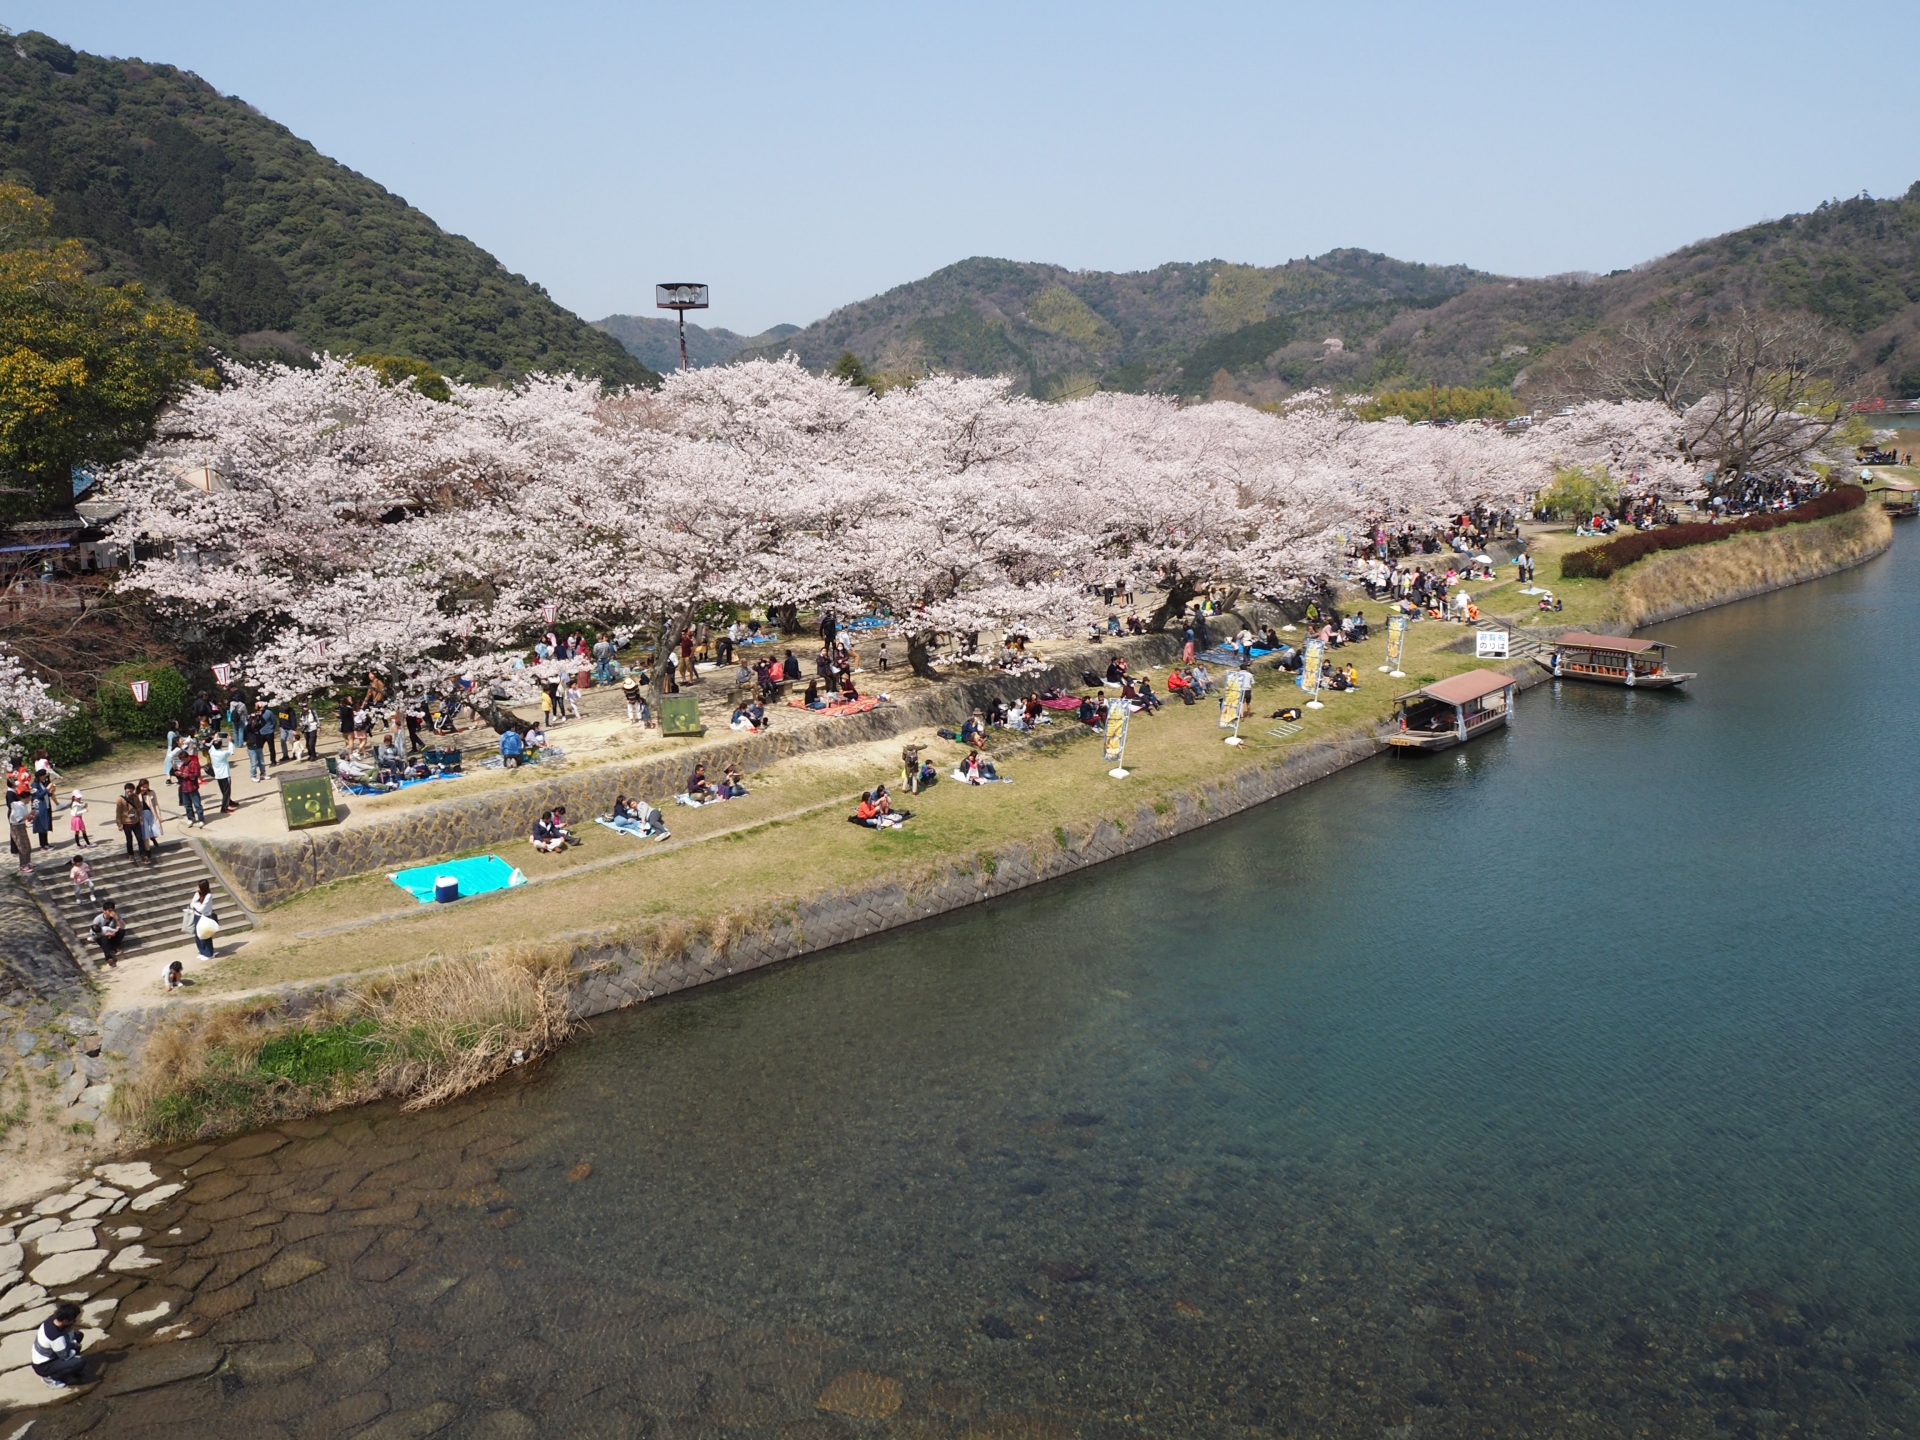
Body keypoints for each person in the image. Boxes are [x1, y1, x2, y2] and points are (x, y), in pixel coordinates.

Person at [30, 1302, 85, 1389]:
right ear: (65, 1321)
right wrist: (75, 1347)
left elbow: (68, 1334)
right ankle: (50, 1378)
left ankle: (65, 1367)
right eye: (73, 1320)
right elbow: (65, 1356)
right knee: (79, 1363)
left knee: (78, 1335)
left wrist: (73, 1341)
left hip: (48, 1354)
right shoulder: (55, 1337)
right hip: (43, 1366)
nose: (75, 1322)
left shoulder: (52, 1320)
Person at [175, 745, 206, 828]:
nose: (183, 761)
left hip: (192, 787)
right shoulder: (182, 766)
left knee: (197, 805)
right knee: (187, 805)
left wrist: (188, 775)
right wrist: (178, 773)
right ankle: (191, 818)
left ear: (188, 757)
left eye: (184, 759)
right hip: (184, 788)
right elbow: (180, 776)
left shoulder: (194, 764)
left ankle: (201, 819)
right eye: (182, 760)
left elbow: (196, 775)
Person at [190, 879, 219, 959]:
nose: (197, 887)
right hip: (197, 916)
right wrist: (196, 904)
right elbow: (191, 904)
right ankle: (203, 952)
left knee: (205, 934)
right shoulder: (197, 894)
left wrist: (196, 905)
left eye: (199, 886)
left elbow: (202, 909)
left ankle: (209, 953)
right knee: (198, 935)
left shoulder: (208, 896)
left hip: (205, 916)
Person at [90, 902, 124, 967]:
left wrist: (116, 918)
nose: (112, 912)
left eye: (113, 910)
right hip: (102, 936)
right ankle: (109, 958)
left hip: (112, 933)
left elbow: (122, 926)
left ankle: (115, 945)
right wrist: (106, 934)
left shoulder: (116, 916)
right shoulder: (98, 919)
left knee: (121, 931)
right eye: (110, 911)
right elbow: (93, 933)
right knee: (104, 940)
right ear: (104, 911)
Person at [8, 789, 33, 874]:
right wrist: (29, 815)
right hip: (17, 828)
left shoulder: (23, 805)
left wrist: (31, 816)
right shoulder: (17, 806)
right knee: (22, 847)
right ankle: (23, 865)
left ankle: (28, 863)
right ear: (25, 798)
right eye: (29, 798)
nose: (29, 800)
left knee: (27, 845)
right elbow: (19, 819)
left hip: (22, 826)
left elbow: (25, 817)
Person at [137, 779, 164, 847]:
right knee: (145, 830)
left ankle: (153, 838)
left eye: (146, 787)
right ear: (140, 786)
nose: (144, 789)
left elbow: (156, 804)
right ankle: (147, 846)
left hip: (150, 812)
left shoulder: (151, 792)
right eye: (143, 787)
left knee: (154, 827)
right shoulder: (137, 795)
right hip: (142, 814)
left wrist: (159, 815)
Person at [29, 774, 52, 850]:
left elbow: (46, 794)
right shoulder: (34, 785)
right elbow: (39, 795)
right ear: (39, 776)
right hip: (39, 807)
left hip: (46, 806)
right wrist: (47, 789)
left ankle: (46, 843)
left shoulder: (42, 783)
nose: (45, 778)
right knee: (41, 826)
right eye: (43, 776)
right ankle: (43, 845)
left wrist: (51, 791)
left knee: (46, 824)